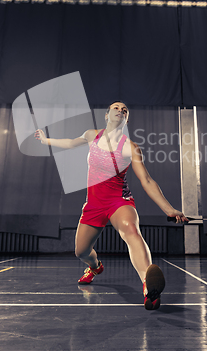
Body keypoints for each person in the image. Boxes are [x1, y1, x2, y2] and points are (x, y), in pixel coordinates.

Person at [35, 101, 187, 310]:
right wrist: (46, 141)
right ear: (107, 115)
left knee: (131, 230)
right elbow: (70, 143)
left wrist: (169, 209)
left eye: (125, 110)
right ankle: (95, 267)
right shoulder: (91, 135)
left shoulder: (131, 147)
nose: (120, 111)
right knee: (81, 251)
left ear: (127, 119)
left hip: (119, 201)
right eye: (116, 108)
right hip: (94, 204)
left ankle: (148, 285)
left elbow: (147, 180)